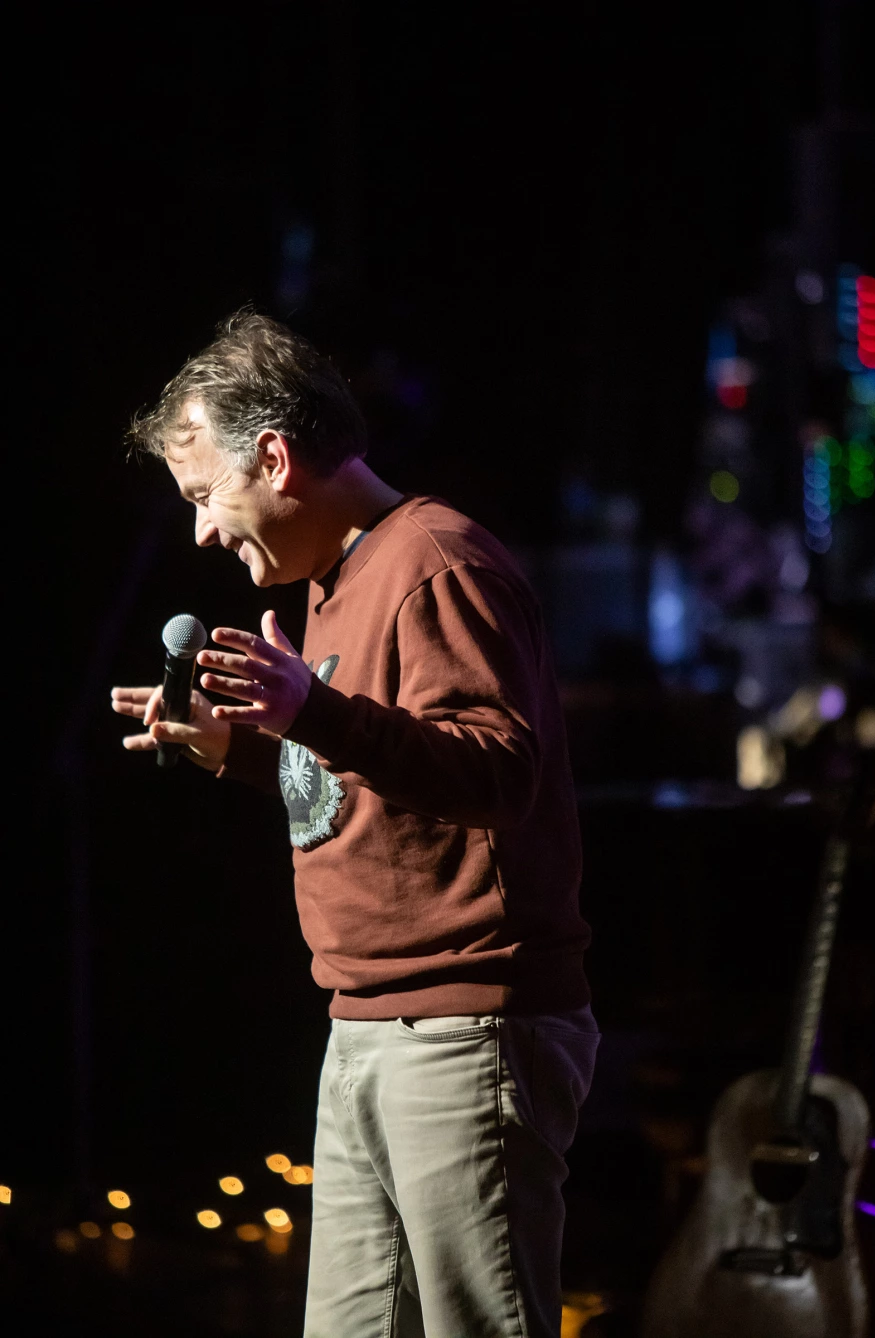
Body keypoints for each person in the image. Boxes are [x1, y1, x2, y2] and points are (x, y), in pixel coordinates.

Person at [112, 311, 598, 1338]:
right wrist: (236, 749)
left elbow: (499, 773)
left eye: (204, 496)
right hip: (367, 1023)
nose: (201, 530)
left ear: (276, 457)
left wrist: (310, 712)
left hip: (468, 1028)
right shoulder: (330, 584)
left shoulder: (436, 562)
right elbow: (366, 780)